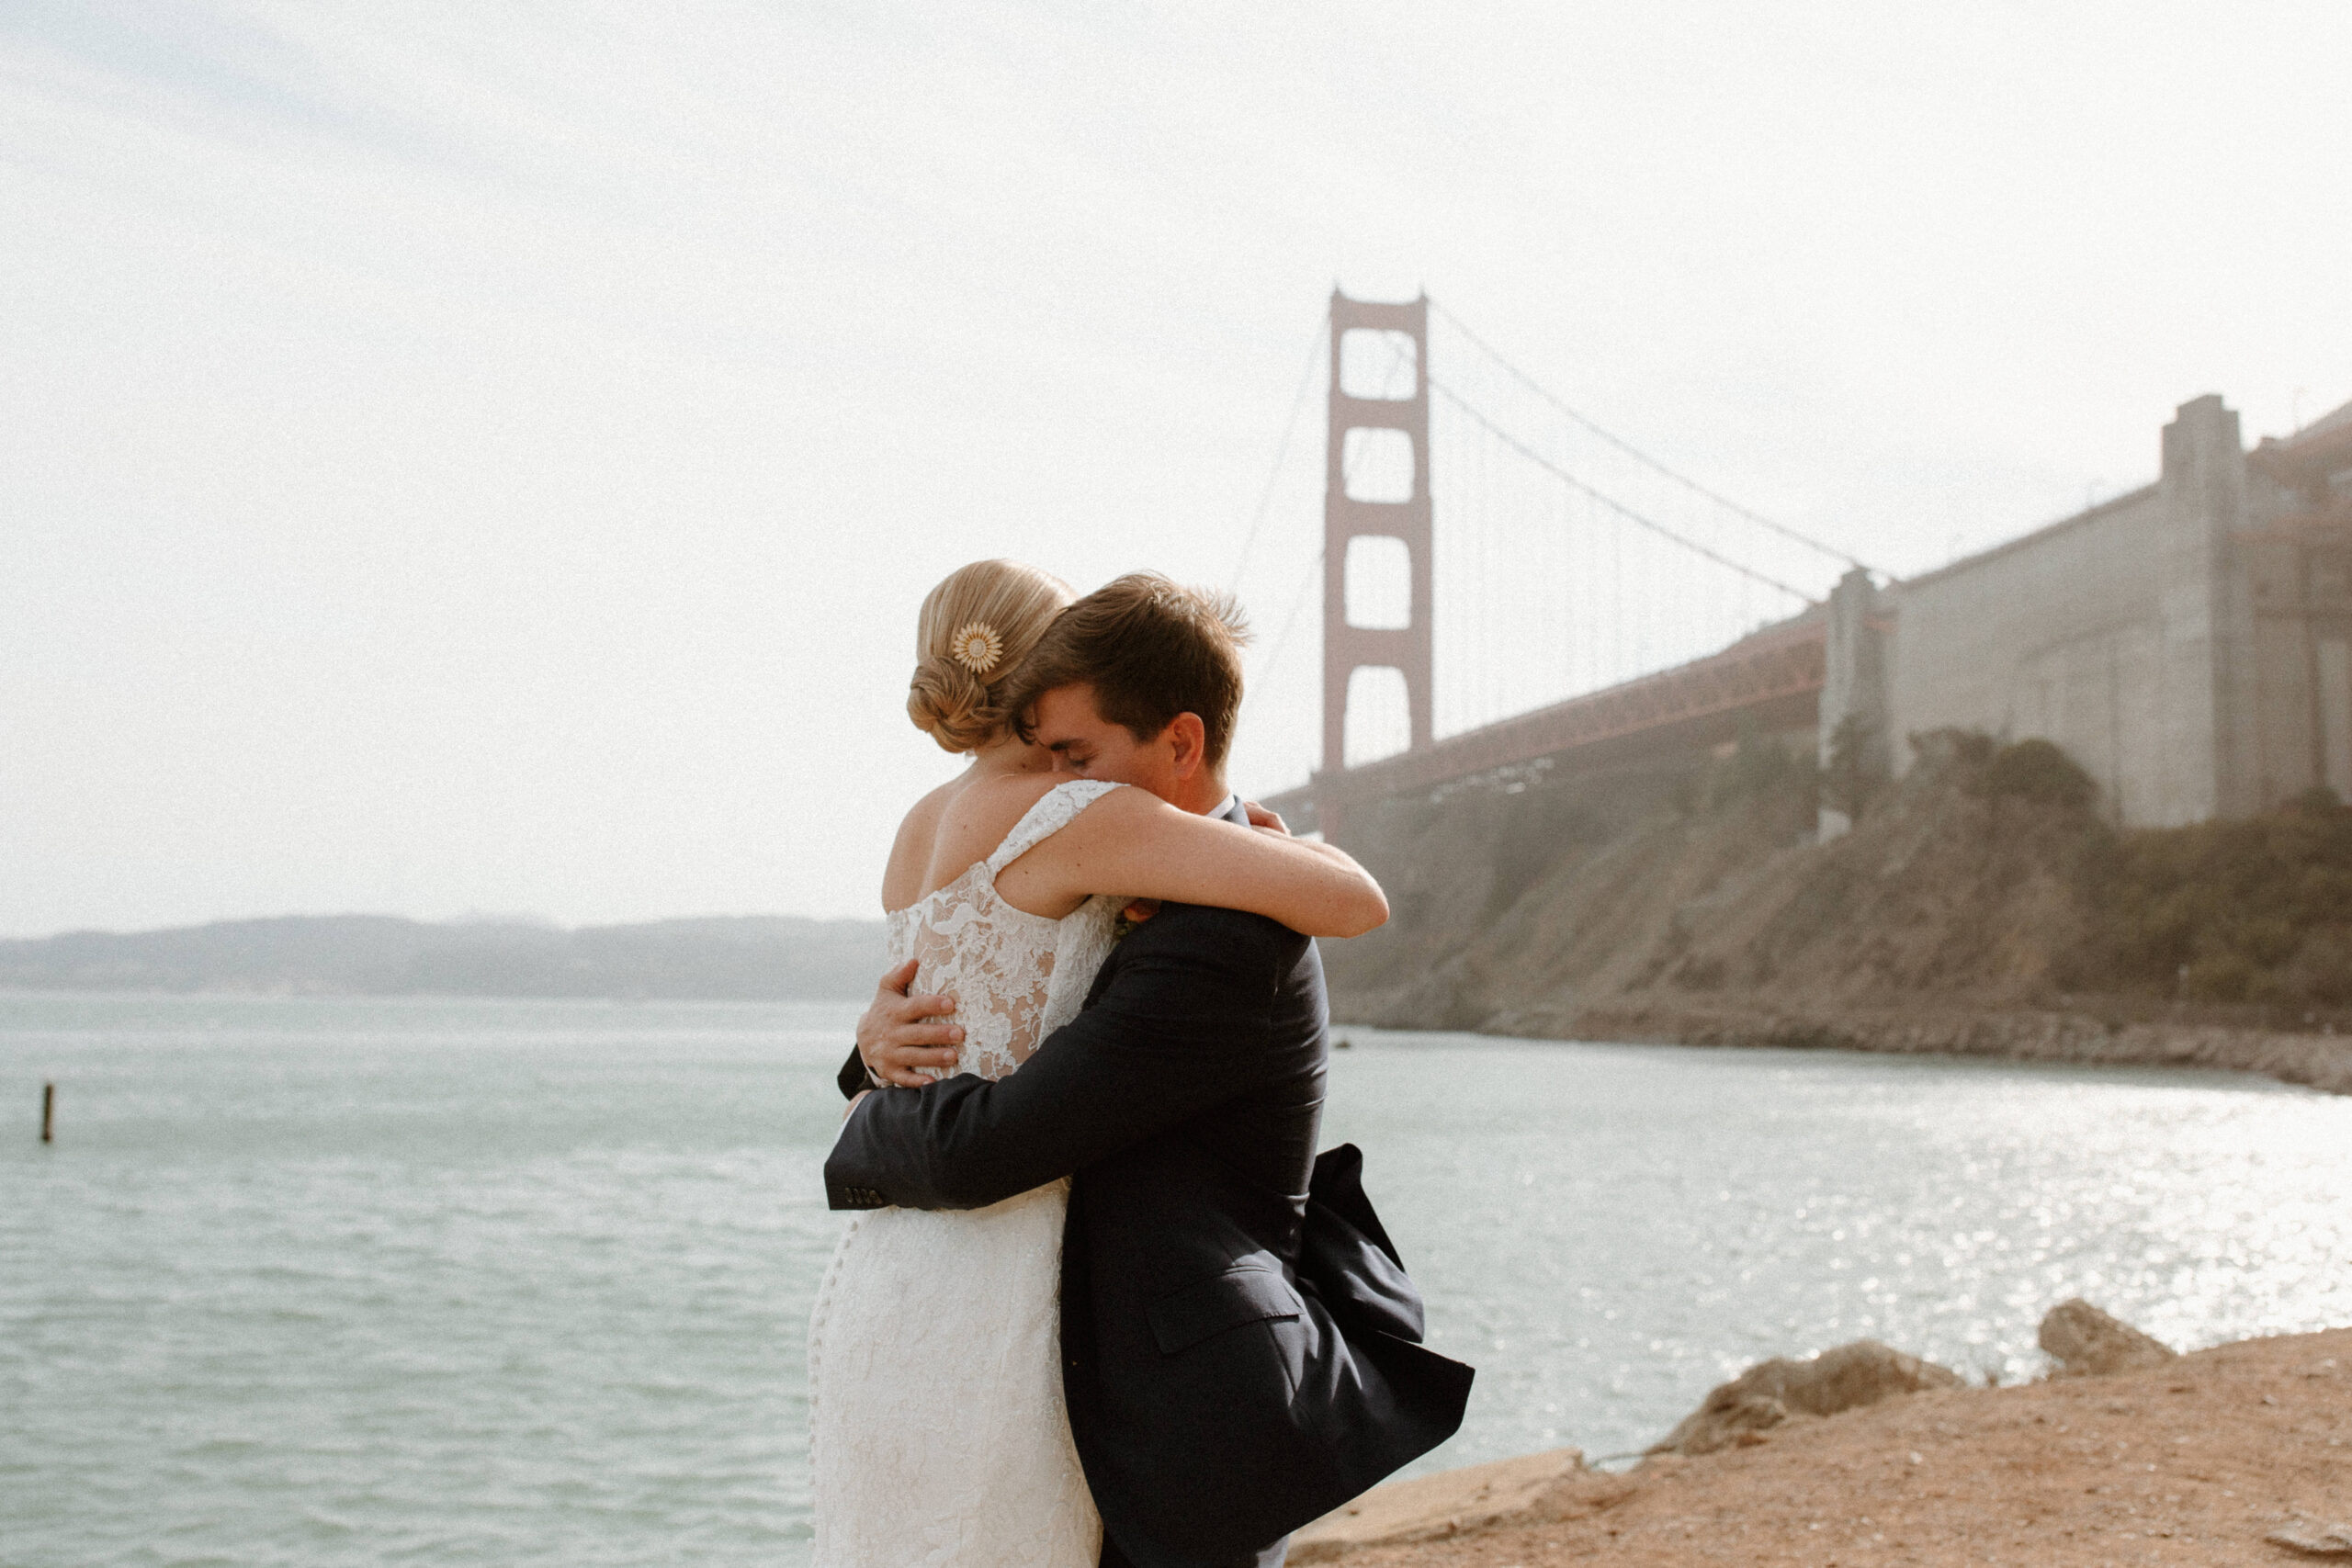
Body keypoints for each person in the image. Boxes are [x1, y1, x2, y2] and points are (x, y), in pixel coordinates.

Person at [826, 571, 1473, 1568]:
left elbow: (970, 1049)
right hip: (1024, 1301)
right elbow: (1352, 900)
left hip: (909, 1289)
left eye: (1075, 753)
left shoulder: (934, 824)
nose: (1067, 775)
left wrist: (865, 1097)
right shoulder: (1088, 823)